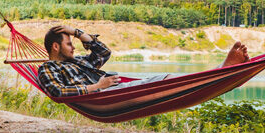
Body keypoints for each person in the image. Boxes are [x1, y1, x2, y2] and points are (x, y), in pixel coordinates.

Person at [37, 25, 251, 97]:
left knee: (164, 79)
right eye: (68, 43)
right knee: (165, 82)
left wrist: (76, 32)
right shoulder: (48, 68)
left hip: (119, 89)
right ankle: (222, 72)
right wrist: (96, 87)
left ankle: (222, 74)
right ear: (55, 47)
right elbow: (57, 92)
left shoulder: (80, 62)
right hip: (104, 95)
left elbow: (103, 53)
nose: (73, 46)